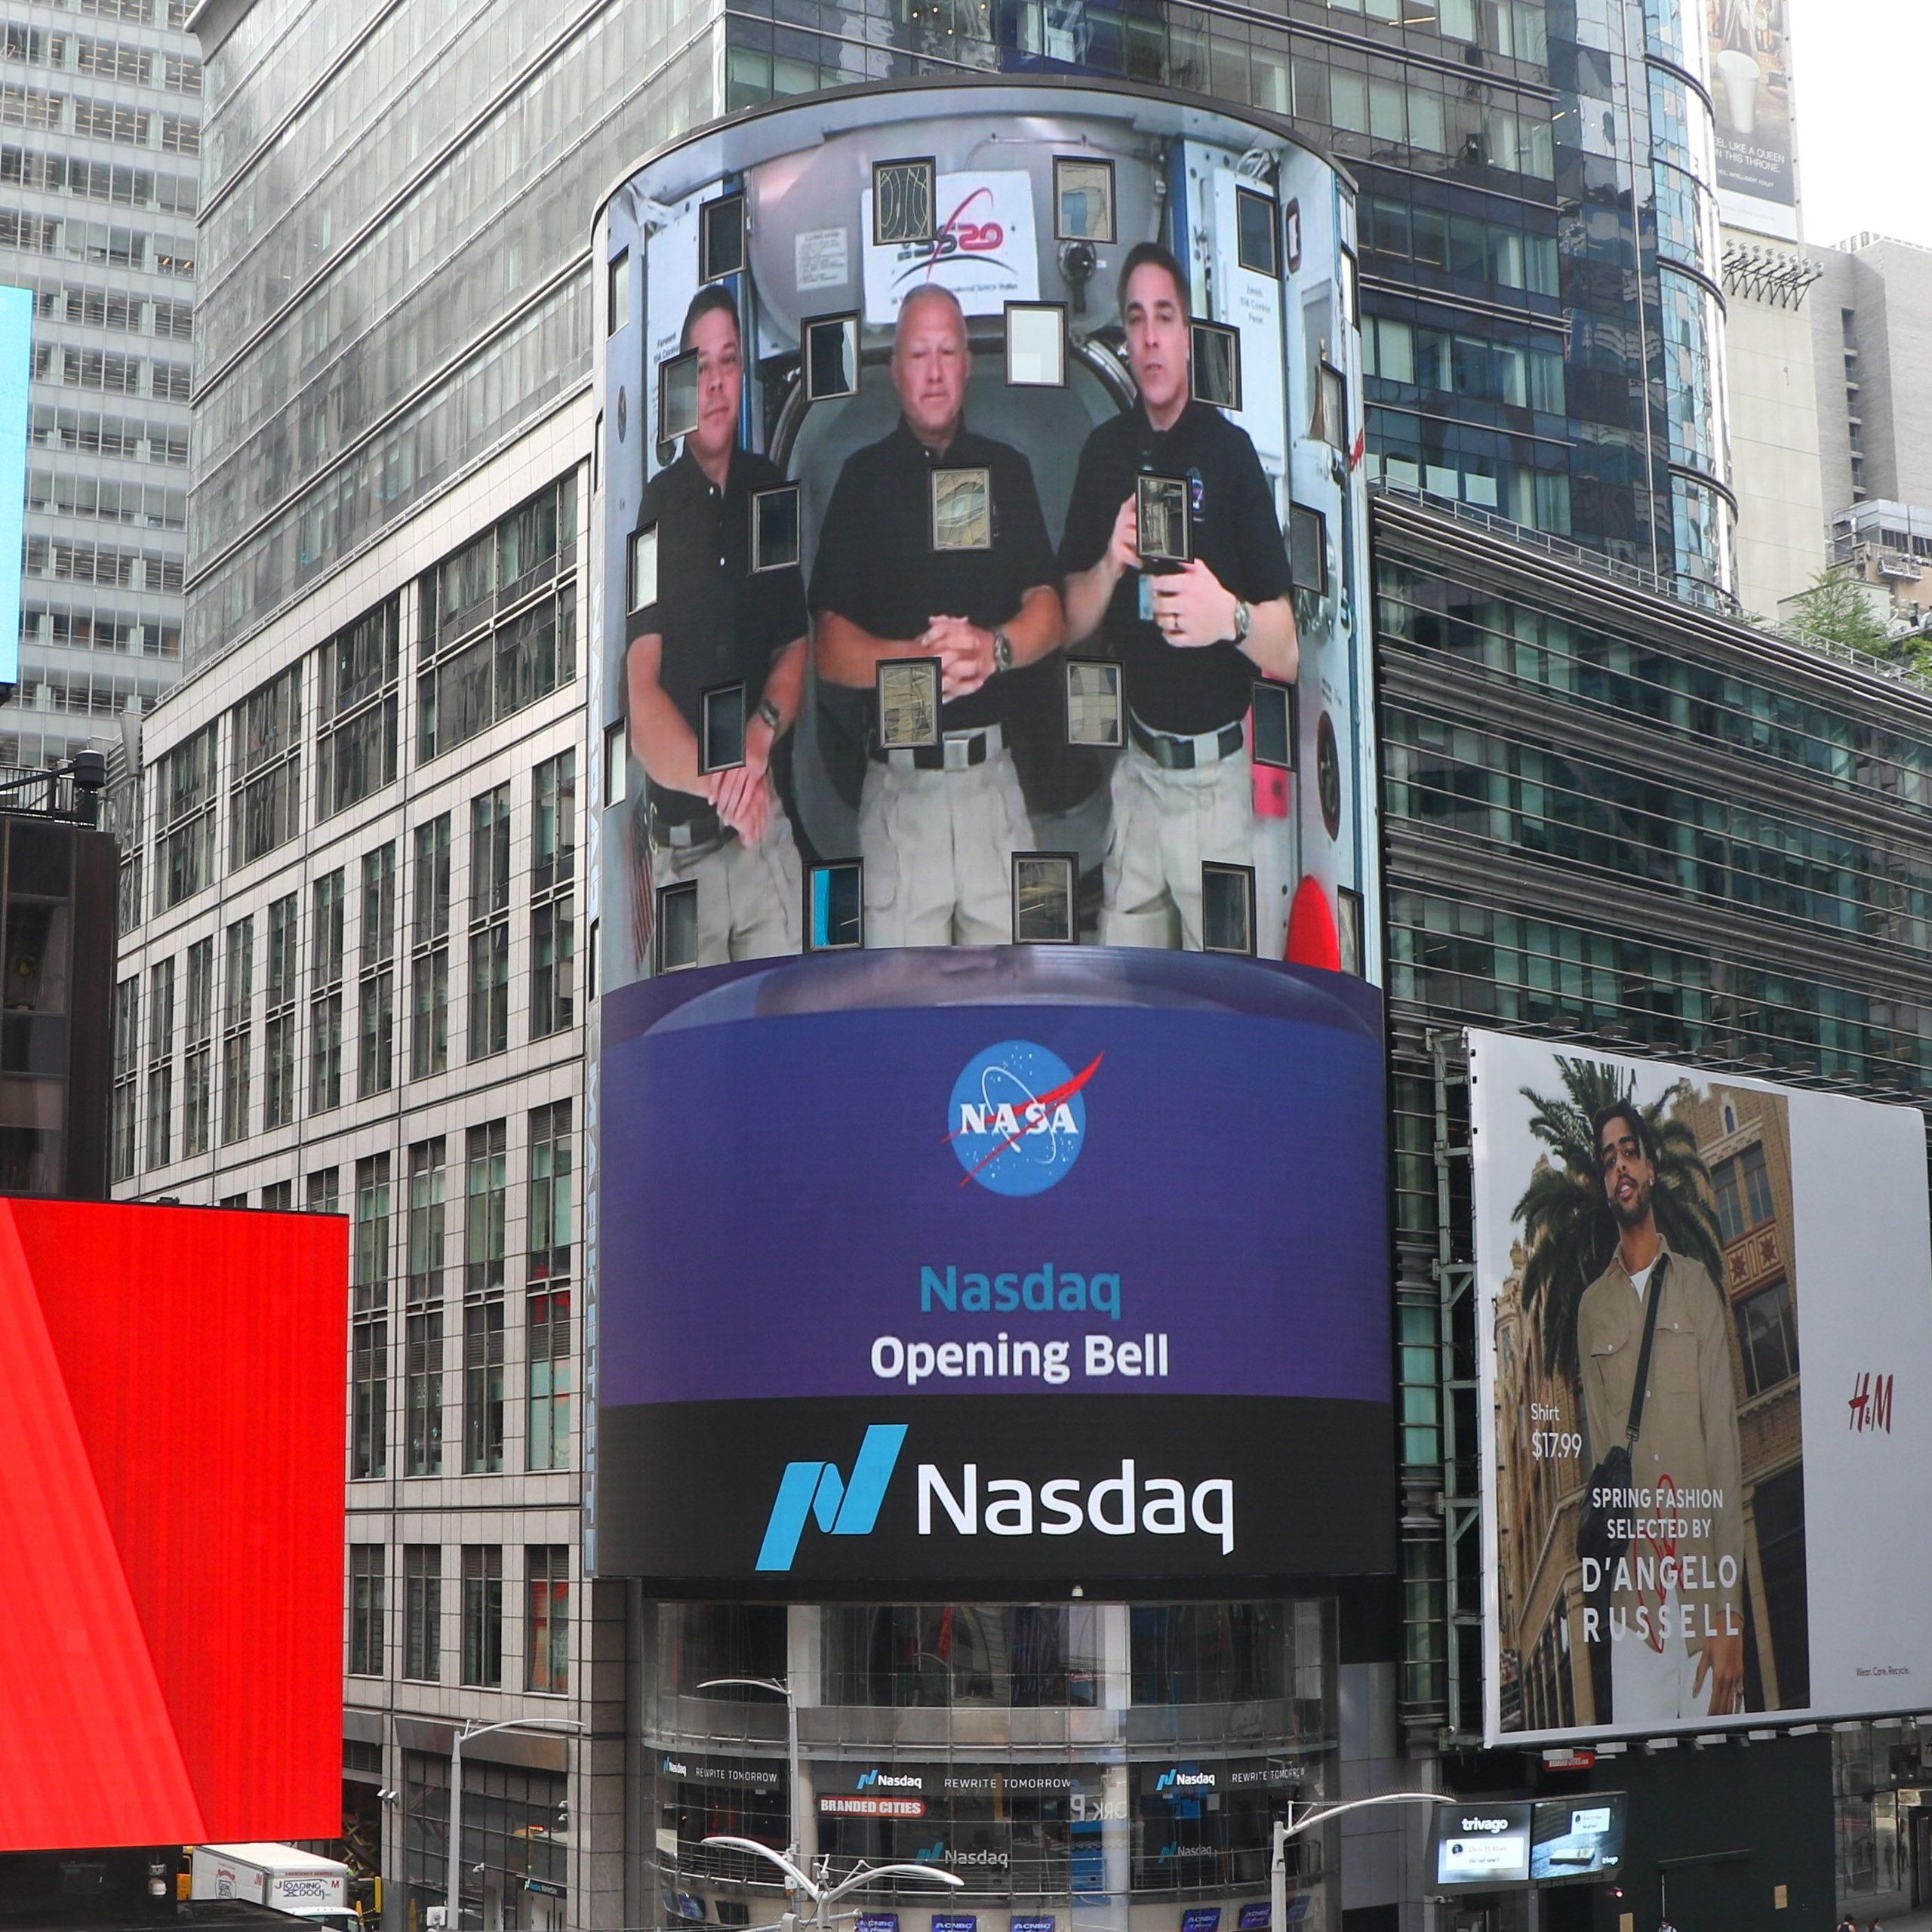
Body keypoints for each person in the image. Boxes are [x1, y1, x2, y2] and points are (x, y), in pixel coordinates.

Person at [1060, 240, 1299, 952]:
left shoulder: (1230, 455)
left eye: (1165, 316)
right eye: (1136, 319)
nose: (1151, 337)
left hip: (1216, 791)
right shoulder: (1104, 452)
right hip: (1136, 778)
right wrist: (1111, 561)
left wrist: (1227, 616)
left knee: (1223, 996)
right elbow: (1069, 624)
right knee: (1127, 993)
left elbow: (1287, 650)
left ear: (1189, 334)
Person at [810, 283, 1065, 945]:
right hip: (901, 799)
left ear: (967, 364)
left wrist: (992, 649)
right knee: (902, 1002)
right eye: (918, 353)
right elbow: (829, 648)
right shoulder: (862, 479)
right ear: (895, 369)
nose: (933, 371)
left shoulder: (1008, 469)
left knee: (1022, 989)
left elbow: (1050, 612)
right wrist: (921, 662)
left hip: (995, 790)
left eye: (947, 351)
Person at [626, 286, 805, 966]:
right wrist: (724, 785)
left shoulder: (770, 490)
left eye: (729, 362)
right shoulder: (655, 510)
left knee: (788, 1026)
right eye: (700, 367)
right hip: (685, 864)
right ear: (680, 383)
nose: (716, 383)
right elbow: (642, 702)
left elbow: (795, 646)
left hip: (764, 840)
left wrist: (758, 742)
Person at [1577, 1100, 1747, 1724]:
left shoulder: (1696, 1285)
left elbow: (1723, 1450)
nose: (1620, 1167)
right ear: (1605, 1185)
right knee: (1644, 1776)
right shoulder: (1592, 1311)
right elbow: (1604, 1465)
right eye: (1608, 1160)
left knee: (1720, 1773)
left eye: (1629, 1152)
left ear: (1650, 1168)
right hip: (1635, 1615)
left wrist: (1729, 1614)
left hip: (1704, 1604)